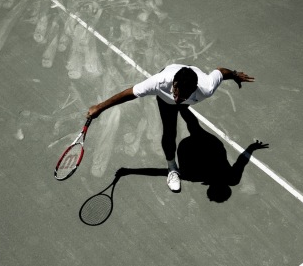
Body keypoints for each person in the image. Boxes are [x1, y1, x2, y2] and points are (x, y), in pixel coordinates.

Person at [87, 64, 255, 192]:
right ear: (174, 84)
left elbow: (220, 71)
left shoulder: (206, 87)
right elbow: (128, 94)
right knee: (170, 131)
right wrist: (100, 107)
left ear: (194, 90)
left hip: (188, 84)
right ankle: (172, 168)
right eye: (177, 93)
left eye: (184, 96)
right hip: (166, 95)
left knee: (185, 113)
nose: (178, 97)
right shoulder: (158, 83)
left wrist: (234, 75)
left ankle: (185, 109)